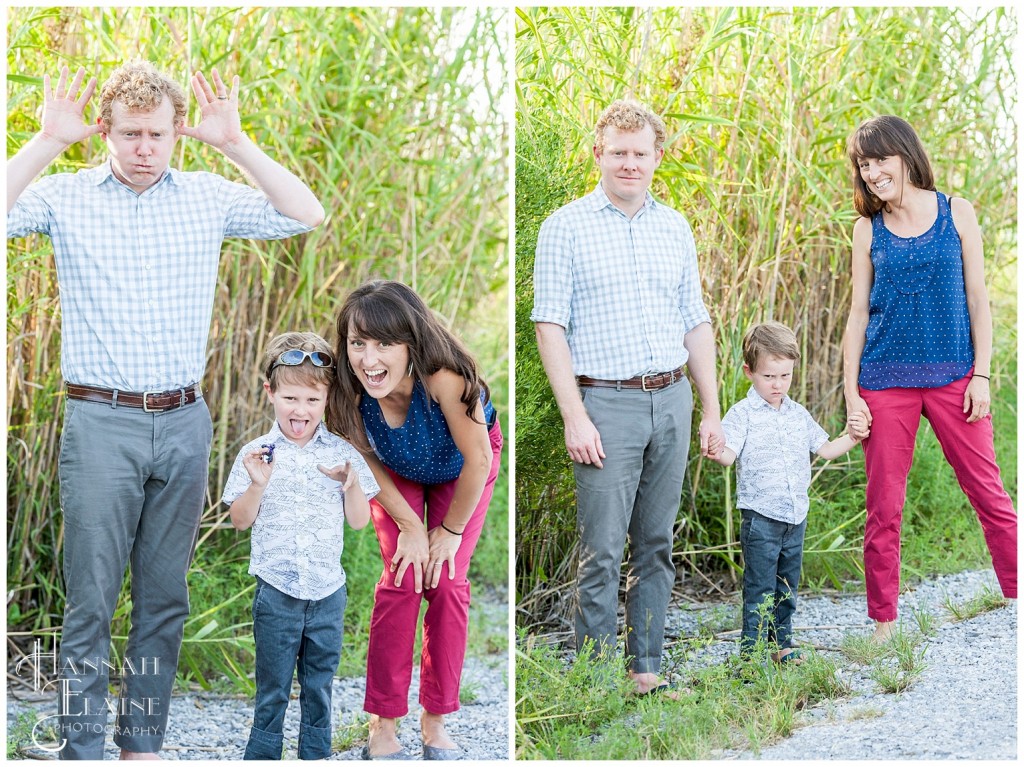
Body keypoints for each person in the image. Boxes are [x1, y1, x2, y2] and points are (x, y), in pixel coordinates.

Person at [6, 61, 324, 759]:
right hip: (101, 422)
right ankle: (83, 744)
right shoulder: (65, 196)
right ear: (106, 132)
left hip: (184, 421)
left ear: (178, 130)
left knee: (163, 597)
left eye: (156, 133)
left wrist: (236, 144)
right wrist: (46, 142)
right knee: (90, 596)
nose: (143, 147)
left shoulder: (207, 196)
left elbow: (307, 213)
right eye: (129, 134)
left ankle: (141, 743)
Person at [530, 99, 724, 698]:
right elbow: (549, 325)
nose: (630, 164)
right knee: (602, 550)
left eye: (641, 153)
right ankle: (592, 681)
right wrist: (574, 416)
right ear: (598, 154)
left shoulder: (675, 226)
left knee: (657, 544)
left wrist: (710, 407)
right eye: (619, 152)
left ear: (657, 157)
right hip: (604, 406)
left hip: (669, 398)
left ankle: (645, 671)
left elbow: (695, 322)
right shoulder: (565, 226)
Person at [842, 115, 1017, 642]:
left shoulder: (956, 212)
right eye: (863, 165)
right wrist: (852, 392)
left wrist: (981, 375)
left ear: (906, 155)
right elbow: (856, 315)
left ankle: (1016, 594)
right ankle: (883, 622)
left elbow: (979, 300)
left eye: (880, 160)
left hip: (954, 378)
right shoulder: (866, 229)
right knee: (884, 507)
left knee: (989, 493)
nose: (872, 173)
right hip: (885, 381)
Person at [325, 280, 503, 760]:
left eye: (385, 343)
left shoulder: (445, 377)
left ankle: (436, 718)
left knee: (445, 580)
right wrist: (408, 525)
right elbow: (364, 460)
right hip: (393, 471)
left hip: (462, 470)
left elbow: (479, 462)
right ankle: (383, 723)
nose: (369, 357)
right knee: (402, 577)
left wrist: (447, 532)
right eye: (358, 342)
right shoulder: (345, 387)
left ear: (412, 344)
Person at [223, 332, 376, 760]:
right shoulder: (257, 453)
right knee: (272, 686)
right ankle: (263, 753)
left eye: (312, 400)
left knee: (319, 685)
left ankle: (316, 753)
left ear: (326, 398)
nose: (300, 410)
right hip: (277, 591)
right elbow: (239, 521)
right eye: (290, 398)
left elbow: (360, 522)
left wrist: (351, 485)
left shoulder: (343, 453)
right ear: (270, 392)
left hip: (328, 591)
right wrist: (257, 485)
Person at [708, 322, 865, 662]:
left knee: (786, 585)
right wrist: (714, 448)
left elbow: (824, 449)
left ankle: (781, 646)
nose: (778, 385)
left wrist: (853, 437)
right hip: (761, 517)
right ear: (749, 371)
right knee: (759, 587)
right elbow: (728, 456)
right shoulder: (742, 414)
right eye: (769, 377)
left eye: (785, 376)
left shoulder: (798, 414)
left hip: (795, 516)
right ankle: (750, 656)